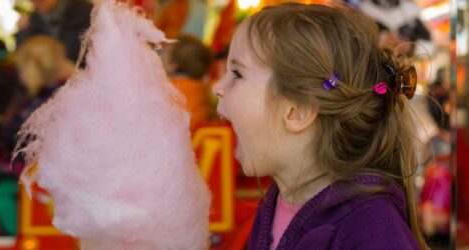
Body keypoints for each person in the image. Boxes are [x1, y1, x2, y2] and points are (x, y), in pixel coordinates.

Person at [213, 3, 427, 249]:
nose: (217, 87)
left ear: (298, 111)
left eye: (237, 74)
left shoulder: (371, 228)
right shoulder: (273, 206)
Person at [0, 36, 74, 235]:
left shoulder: (40, 101)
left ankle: (16, 230)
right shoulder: (59, 92)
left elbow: (15, 136)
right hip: (45, 165)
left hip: (36, 169)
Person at [162, 35, 213, 130]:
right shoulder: (201, 88)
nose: (160, 57)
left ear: (174, 65)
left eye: (164, 53)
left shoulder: (169, 88)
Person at [15, 0, 92, 62]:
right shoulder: (32, 22)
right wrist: (23, 32)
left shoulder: (87, 13)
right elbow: (24, 60)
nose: (35, 1)